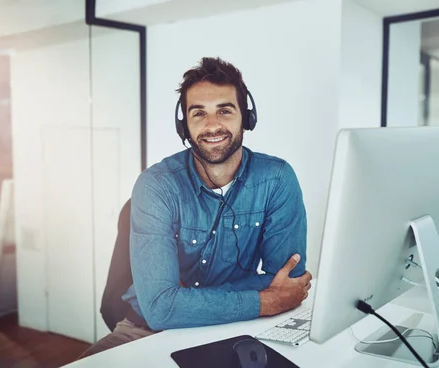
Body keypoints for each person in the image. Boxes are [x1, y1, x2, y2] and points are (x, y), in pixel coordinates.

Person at [80, 57, 311, 357]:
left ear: (246, 117)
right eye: (198, 113)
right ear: (184, 125)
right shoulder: (156, 186)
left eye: (225, 111)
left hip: (237, 328)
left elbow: (288, 283)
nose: (212, 125)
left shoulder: (277, 179)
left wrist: (185, 300)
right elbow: (161, 310)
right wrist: (264, 300)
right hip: (145, 330)